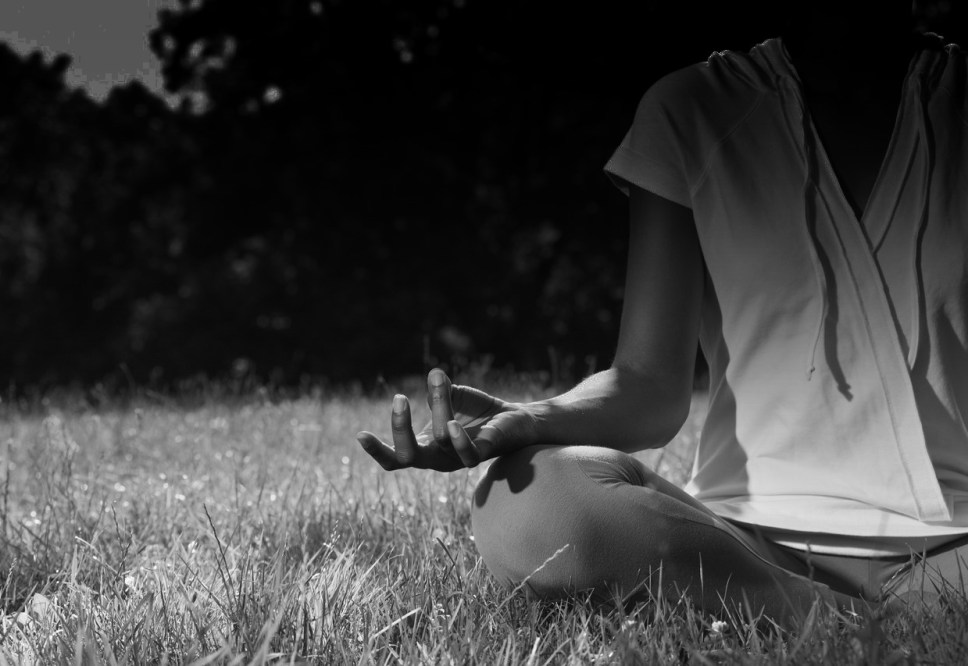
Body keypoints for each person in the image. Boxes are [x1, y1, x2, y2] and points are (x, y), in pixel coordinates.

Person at [357, 2, 968, 623]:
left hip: (959, 547)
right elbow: (648, 384)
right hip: (744, 546)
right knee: (528, 501)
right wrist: (532, 421)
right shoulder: (695, 108)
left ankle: (838, 621)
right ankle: (846, 618)